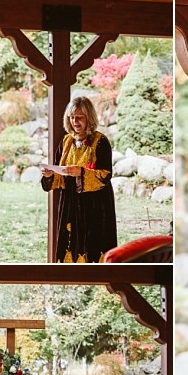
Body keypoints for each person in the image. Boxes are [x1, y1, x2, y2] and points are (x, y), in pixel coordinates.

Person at [40, 96, 117, 262]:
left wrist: (81, 172)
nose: (75, 121)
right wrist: (50, 175)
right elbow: (59, 174)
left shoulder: (100, 141)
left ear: (89, 118)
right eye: (72, 117)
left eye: (79, 117)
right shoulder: (66, 141)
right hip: (70, 203)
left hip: (95, 205)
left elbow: (105, 174)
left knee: (92, 246)